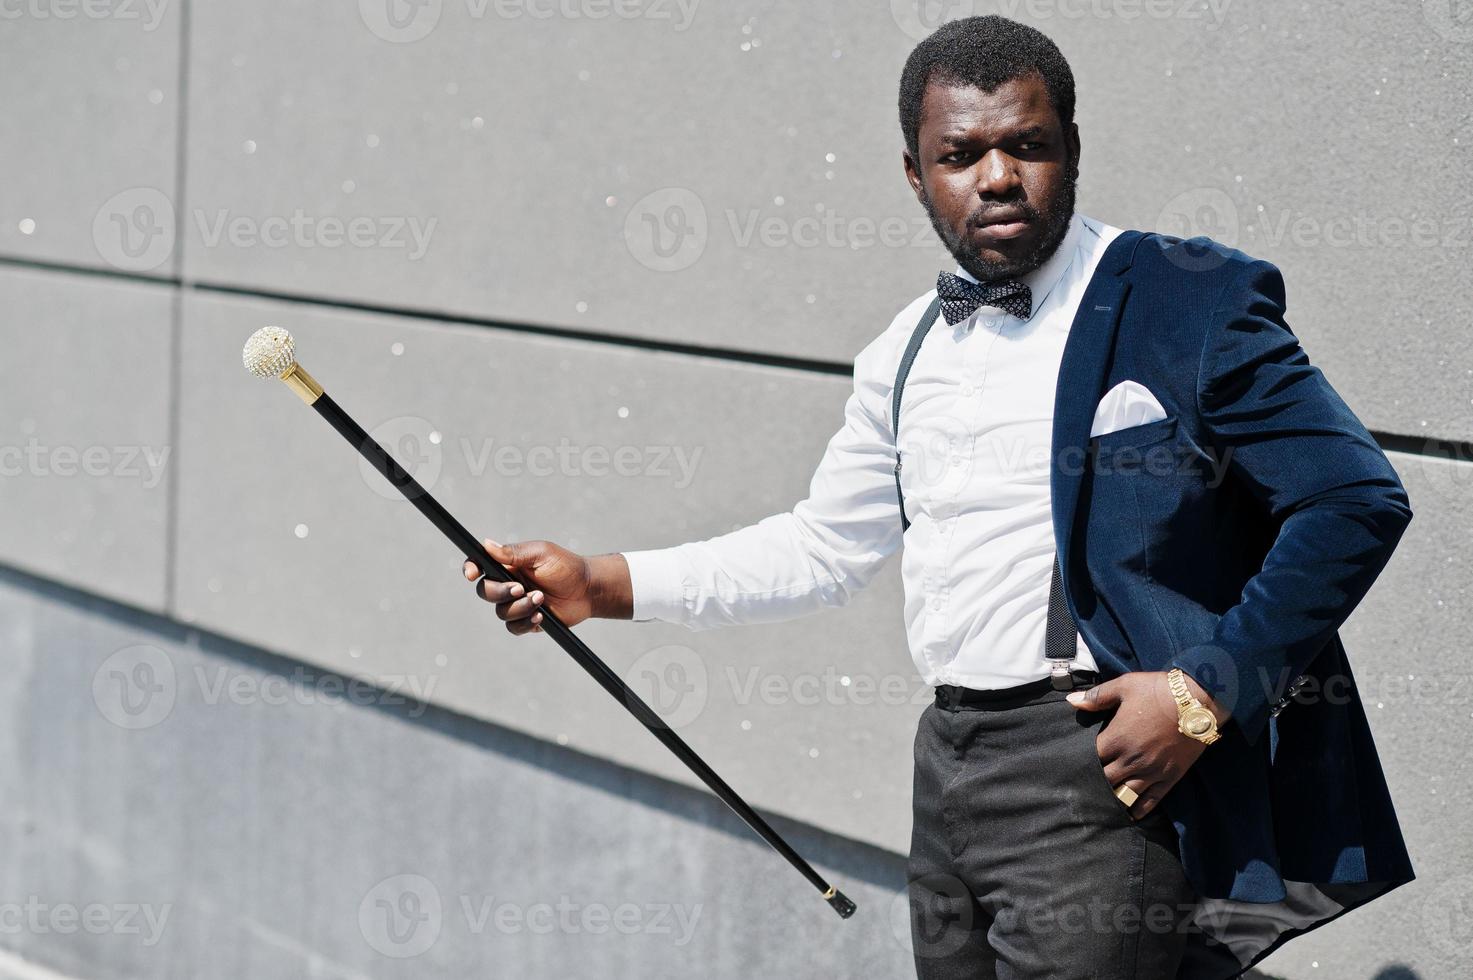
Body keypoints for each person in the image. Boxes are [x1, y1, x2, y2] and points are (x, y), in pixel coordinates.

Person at [460, 16, 1414, 979]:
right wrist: (599, 582)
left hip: (1096, 767)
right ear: (916, 175)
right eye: (960, 155)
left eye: (1026, 146)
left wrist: (1202, 695)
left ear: (1070, 149)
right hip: (947, 762)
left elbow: (1353, 499)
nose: (997, 177)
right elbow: (824, 548)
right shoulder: (905, 348)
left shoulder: (1183, 297)